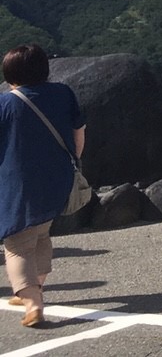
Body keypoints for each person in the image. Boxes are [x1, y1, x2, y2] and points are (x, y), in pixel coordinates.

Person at [0, 44, 86, 329]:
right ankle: (34, 285)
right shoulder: (63, 93)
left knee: (16, 244)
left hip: (20, 184)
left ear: (10, 74)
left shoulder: (6, 104)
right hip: (57, 178)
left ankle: (33, 303)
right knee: (41, 233)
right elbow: (78, 133)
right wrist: (72, 162)